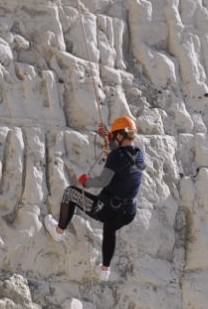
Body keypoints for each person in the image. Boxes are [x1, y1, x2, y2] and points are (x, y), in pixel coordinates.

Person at [46, 115, 146, 280]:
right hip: (128, 213)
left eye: (115, 135)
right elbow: (122, 156)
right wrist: (107, 137)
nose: (113, 138)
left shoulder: (116, 156)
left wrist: (87, 182)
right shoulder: (138, 154)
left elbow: (102, 181)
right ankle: (105, 270)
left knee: (70, 193)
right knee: (110, 229)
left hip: (108, 209)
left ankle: (59, 231)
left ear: (120, 136)